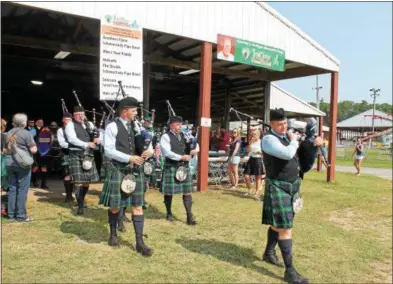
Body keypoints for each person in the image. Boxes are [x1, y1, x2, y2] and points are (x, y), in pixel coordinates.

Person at [261, 108, 323, 284]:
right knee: (286, 228)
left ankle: (268, 253)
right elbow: (287, 153)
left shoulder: (287, 137)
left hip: (292, 186)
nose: (283, 127)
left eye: (285, 123)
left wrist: (313, 144)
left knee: (278, 225)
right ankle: (290, 272)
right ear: (272, 124)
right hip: (278, 186)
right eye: (280, 124)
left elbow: (303, 159)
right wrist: (294, 140)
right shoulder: (268, 139)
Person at [99, 97, 153, 256]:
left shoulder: (137, 126)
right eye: (134, 110)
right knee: (115, 205)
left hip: (135, 171)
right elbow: (108, 150)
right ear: (124, 111)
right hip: (119, 169)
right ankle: (113, 234)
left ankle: (139, 243)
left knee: (137, 205)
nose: (136, 113)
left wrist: (148, 151)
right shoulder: (112, 127)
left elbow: (148, 144)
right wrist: (128, 157)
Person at [160, 115, 199, 225]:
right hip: (172, 165)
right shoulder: (165, 137)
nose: (180, 126)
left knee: (187, 191)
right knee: (169, 192)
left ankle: (189, 216)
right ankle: (169, 213)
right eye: (177, 124)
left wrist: (195, 151)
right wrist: (181, 157)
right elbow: (166, 152)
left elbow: (196, 145)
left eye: (180, 124)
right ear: (171, 126)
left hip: (184, 166)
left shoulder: (185, 135)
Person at [65, 106, 100, 215]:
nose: (81, 116)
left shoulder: (89, 124)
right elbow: (71, 139)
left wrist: (98, 138)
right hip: (76, 154)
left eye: (82, 114)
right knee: (78, 182)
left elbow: (97, 133)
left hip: (88, 154)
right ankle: (80, 206)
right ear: (74, 115)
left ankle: (82, 200)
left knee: (86, 181)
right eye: (78, 114)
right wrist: (86, 144)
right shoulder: (70, 125)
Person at [6, 113, 37, 222]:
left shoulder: (8, 133)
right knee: (22, 190)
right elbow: (33, 150)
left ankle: (10, 214)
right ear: (23, 122)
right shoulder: (26, 133)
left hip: (9, 164)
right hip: (22, 164)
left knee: (12, 188)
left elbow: (6, 150)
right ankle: (21, 215)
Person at [243, 128, 265, 199]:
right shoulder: (251, 141)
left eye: (254, 134)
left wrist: (259, 152)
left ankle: (257, 192)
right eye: (252, 134)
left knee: (257, 177)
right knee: (246, 175)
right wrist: (249, 144)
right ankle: (250, 190)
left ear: (258, 135)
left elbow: (265, 152)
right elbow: (247, 151)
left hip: (258, 159)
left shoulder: (261, 142)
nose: (253, 136)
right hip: (251, 159)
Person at [57, 112, 74, 203]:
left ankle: (76, 195)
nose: (68, 121)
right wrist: (75, 144)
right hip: (66, 153)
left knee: (75, 175)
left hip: (76, 154)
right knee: (67, 175)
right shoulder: (60, 130)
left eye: (70, 120)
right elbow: (62, 143)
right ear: (63, 120)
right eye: (66, 120)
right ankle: (68, 196)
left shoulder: (76, 129)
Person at [31, 119, 50, 189]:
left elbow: (49, 140)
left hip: (44, 151)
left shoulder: (46, 129)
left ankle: (43, 184)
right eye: (39, 122)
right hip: (36, 152)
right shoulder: (33, 130)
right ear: (36, 123)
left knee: (44, 167)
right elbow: (31, 140)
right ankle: (34, 181)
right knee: (35, 168)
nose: (41, 123)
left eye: (42, 122)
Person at [1, 118, 9, 191]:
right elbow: (4, 150)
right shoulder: (5, 135)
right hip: (2, 156)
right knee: (4, 172)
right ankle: (4, 186)